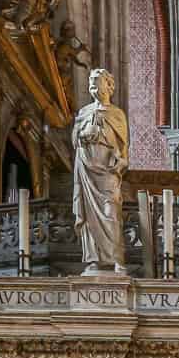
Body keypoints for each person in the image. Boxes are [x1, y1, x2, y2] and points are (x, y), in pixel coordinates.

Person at [71, 68, 129, 274]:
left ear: (109, 86)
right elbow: (74, 140)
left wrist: (121, 162)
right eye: (91, 82)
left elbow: (123, 148)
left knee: (110, 212)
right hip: (86, 169)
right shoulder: (84, 113)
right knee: (88, 215)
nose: (93, 85)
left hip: (107, 171)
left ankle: (117, 260)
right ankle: (92, 259)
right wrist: (84, 134)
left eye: (98, 81)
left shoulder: (116, 114)